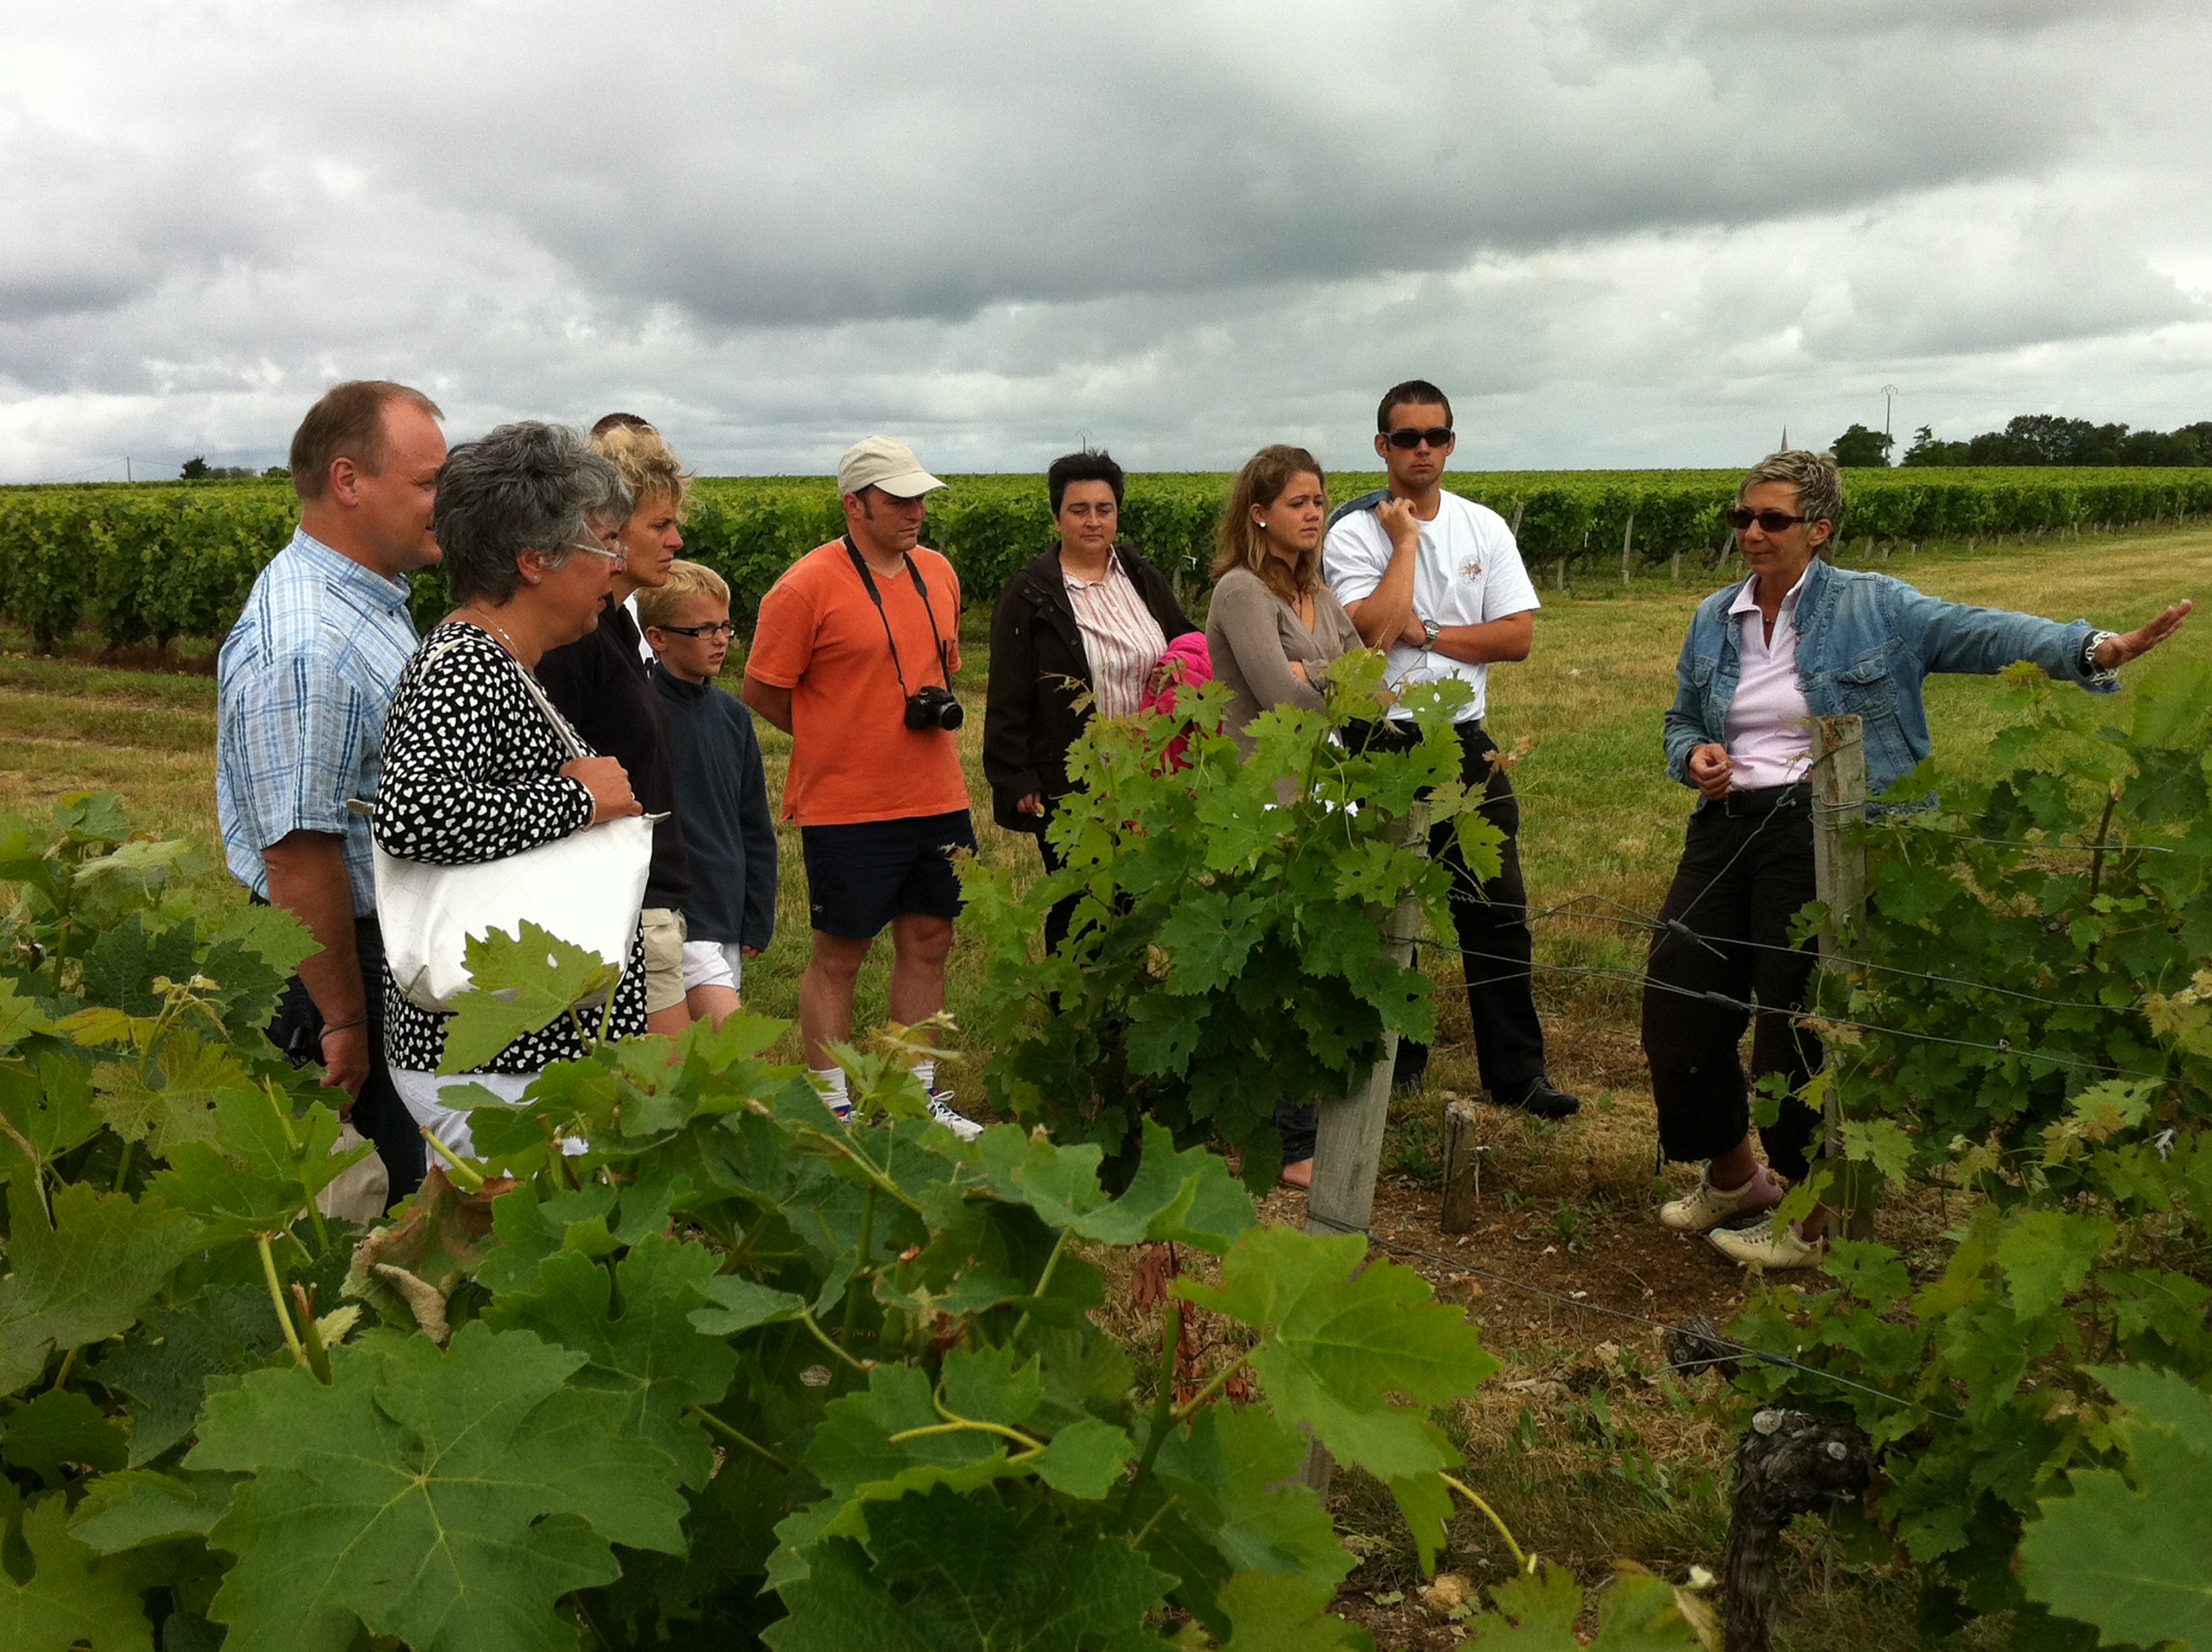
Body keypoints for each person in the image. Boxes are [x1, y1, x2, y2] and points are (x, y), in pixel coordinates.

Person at [1649, 447, 2192, 1270]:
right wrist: (1693, 756)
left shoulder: (1875, 605)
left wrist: (2092, 649)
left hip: (1824, 825)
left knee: (1796, 1021)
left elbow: (1981, 632)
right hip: (1726, 825)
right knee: (1679, 999)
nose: (1751, 533)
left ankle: (1812, 1214)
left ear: (1819, 529)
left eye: (1772, 519)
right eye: (1741, 517)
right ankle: (1733, 1180)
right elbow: (1683, 719)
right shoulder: (1714, 615)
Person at [373, 422, 648, 1156]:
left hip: (520, 1059)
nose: (618, 565)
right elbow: (413, 814)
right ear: (535, 559)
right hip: (500, 1071)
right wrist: (578, 800)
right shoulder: (465, 664)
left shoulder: (499, 660)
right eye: (605, 544)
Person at [1323, 379, 1580, 1122]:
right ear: (1383, 446)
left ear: (1452, 443)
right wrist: (1405, 543)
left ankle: (1518, 1075)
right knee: (1383, 908)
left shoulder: (1483, 527)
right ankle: (1393, 1065)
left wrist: (1431, 634)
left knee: (1496, 906)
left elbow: (1517, 638)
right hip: (1378, 741)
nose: (1423, 450)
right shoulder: (1352, 534)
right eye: (1407, 438)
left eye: (1435, 436)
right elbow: (1374, 632)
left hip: (1464, 740)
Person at [216, 380, 445, 1205]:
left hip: (368, 949)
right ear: (348, 480)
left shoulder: (364, 600)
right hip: (339, 960)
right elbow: (299, 855)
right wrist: (343, 1019)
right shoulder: (309, 647)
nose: (445, 502)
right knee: (370, 1204)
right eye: (428, 482)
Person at [741, 435, 986, 1140]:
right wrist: (833, 735)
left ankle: (914, 1097)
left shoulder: (938, 573)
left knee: (931, 939)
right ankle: (832, 1103)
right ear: (854, 504)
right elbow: (762, 688)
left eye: (920, 498)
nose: (916, 512)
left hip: (936, 793)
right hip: (847, 806)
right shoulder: (805, 586)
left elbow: (939, 667)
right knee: (840, 953)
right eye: (898, 499)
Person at [1204, 444, 1365, 1188]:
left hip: (1326, 790)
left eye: (1319, 501)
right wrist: (1332, 678)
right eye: (1298, 502)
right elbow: (1283, 697)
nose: (1313, 513)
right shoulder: (1241, 592)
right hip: (1265, 799)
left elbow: (1375, 682)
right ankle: (1287, 1142)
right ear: (1259, 513)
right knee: (1277, 966)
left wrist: (1319, 672)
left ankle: (1304, 1126)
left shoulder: (1319, 592)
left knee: (1317, 958)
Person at [984, 447, 1197, 954]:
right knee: (1082, 905)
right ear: (1057, 517)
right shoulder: (1031, 592)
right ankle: (1074, 1000)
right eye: (1079, 509)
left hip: (1147, 772)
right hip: (1074, 779)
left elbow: (1182, 638)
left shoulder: (1139, 575)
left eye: (1104, 509)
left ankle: (1127, 993)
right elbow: (1008, 689)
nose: (1093, 521)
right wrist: (1016, 775)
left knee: (1137, 901)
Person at [535, 422, 696, 1035]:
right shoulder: (575, 640)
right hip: (619, 910)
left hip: (643, 901)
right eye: (660, 524)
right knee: (668, 1088)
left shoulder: (615, 625)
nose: (677, 539)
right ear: (609, 528)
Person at [640, 561, 777, 1027]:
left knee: (700, 1054)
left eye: (725, 627)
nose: (720, 640)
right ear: (657, 637)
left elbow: (753, 822)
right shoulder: (644, 715)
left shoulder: (733, 716)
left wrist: (757, 913)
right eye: (702, 630)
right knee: (732, 1041)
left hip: (727, 909)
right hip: (679, 913)